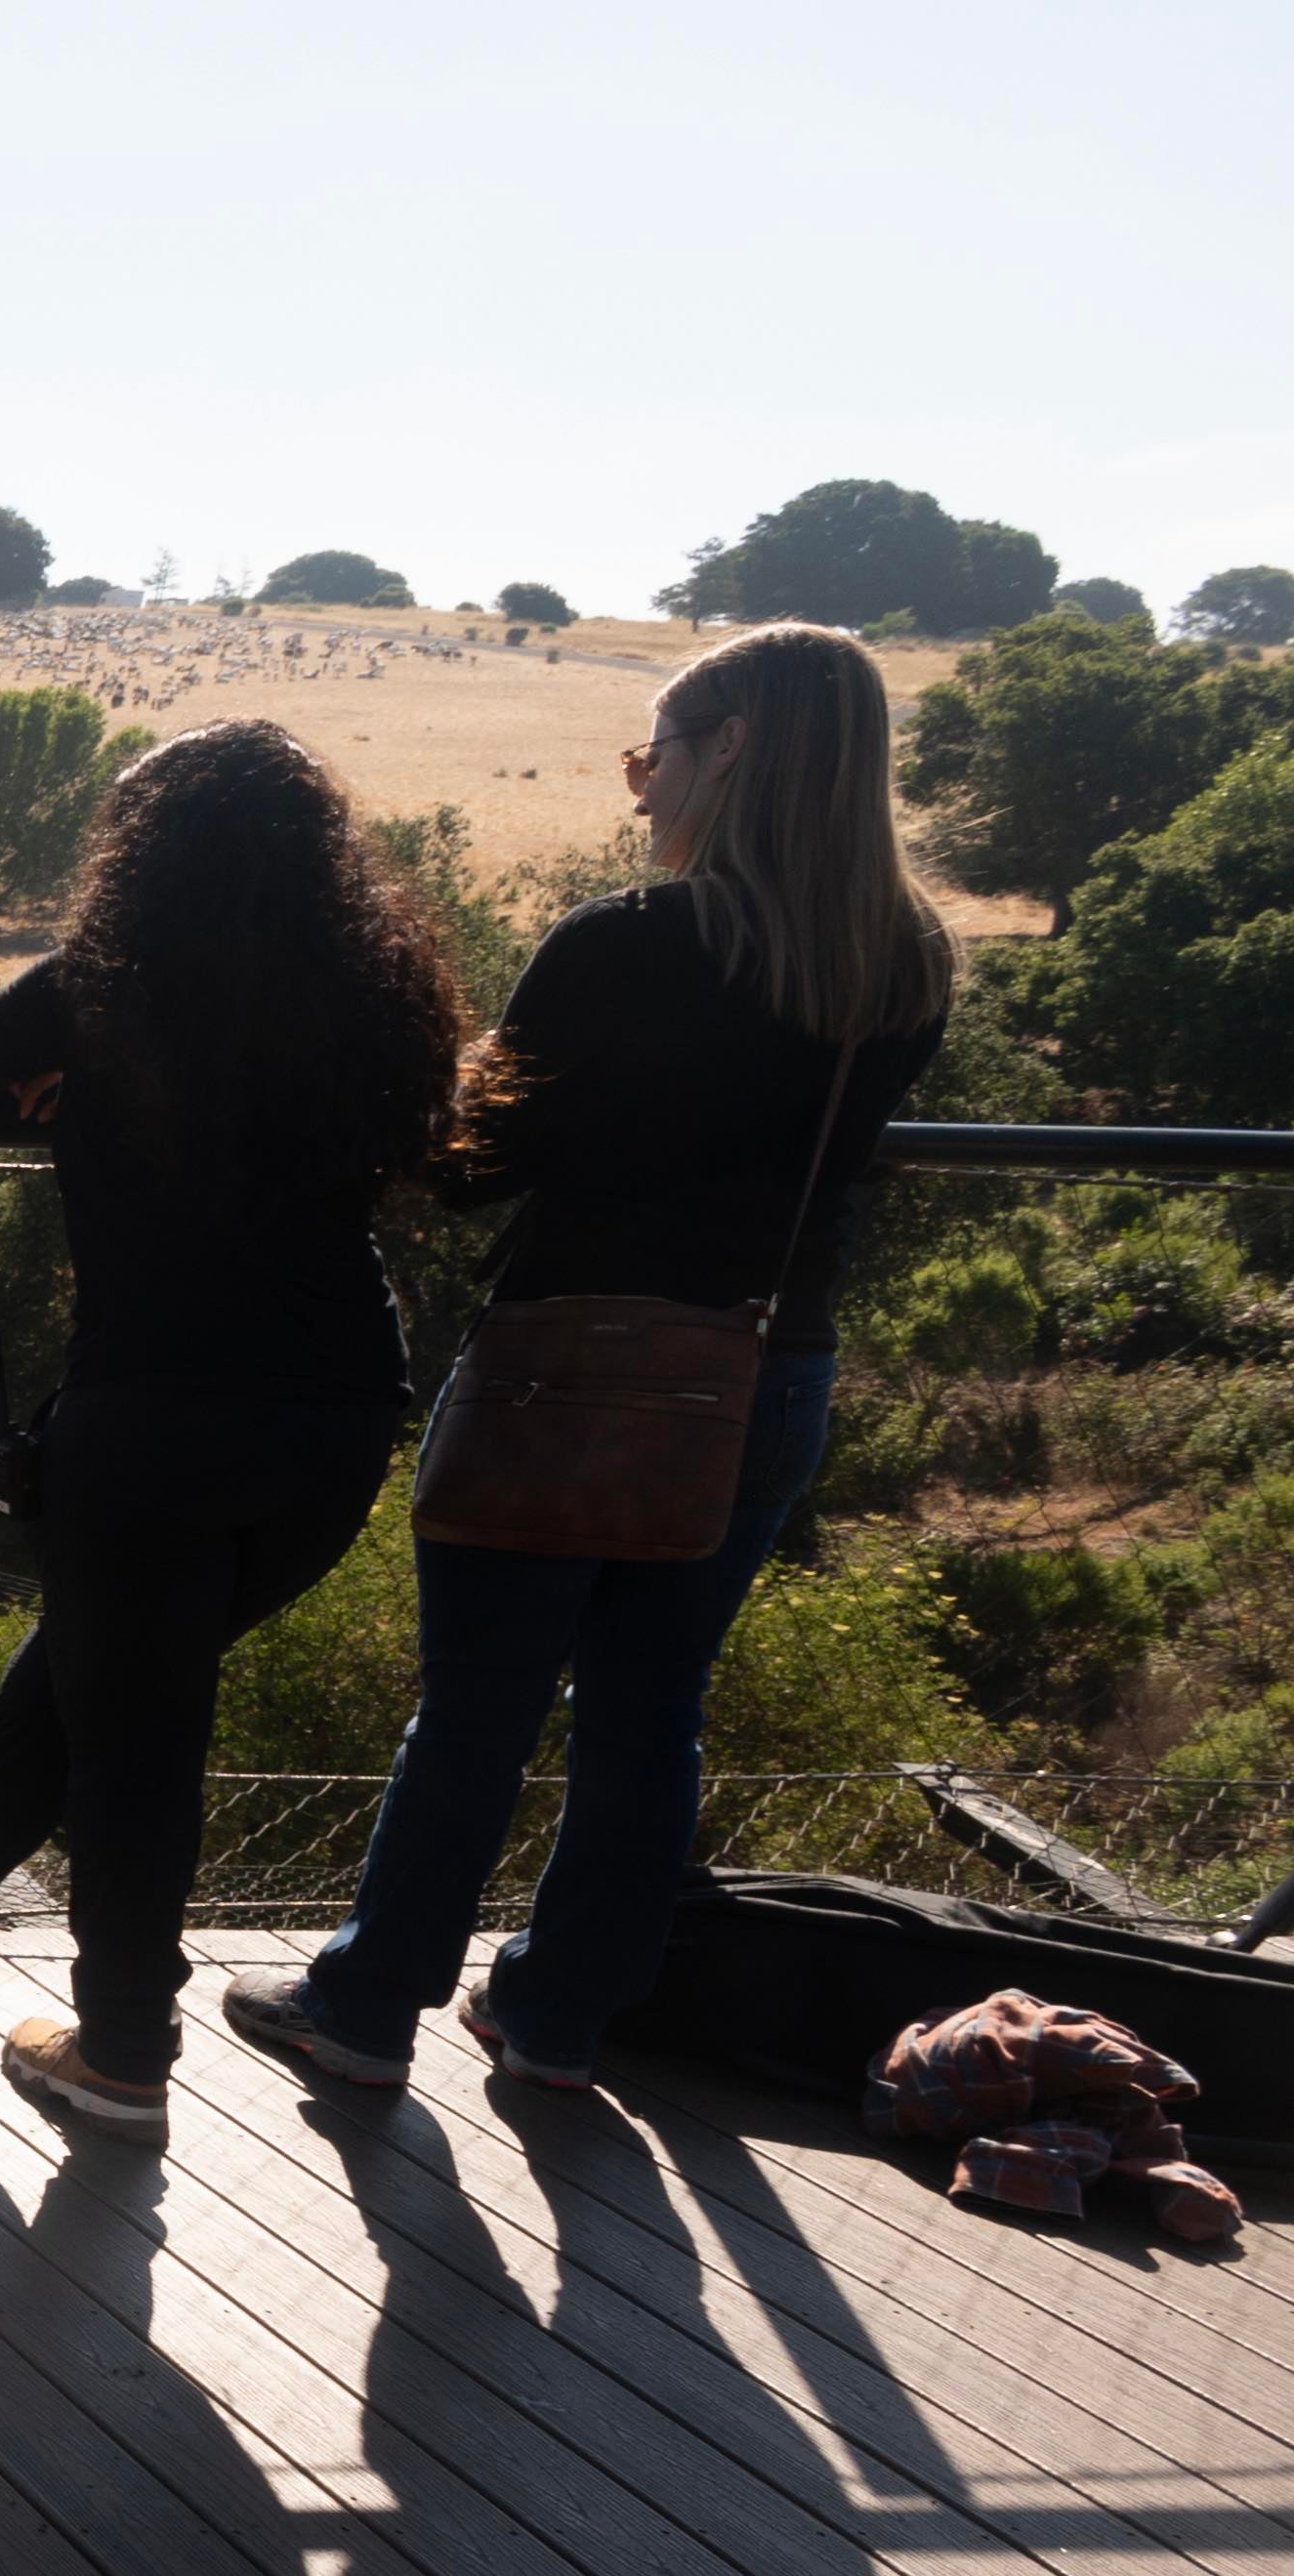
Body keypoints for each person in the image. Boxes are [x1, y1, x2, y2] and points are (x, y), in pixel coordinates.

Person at [222, 621, 952, 2098]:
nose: (641, 788)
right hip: (762, 1373)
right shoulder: (909, 963)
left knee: (479, 1703)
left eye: (658, 753)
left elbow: (476, 1170)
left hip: (568, 1368)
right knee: (652, 1709)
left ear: (728, 749)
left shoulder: (619, 946)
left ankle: (366, 2010)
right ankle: (560, 2022)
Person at [0, 721, 466, 2131]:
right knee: (75, 1706)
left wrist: (62, 1085)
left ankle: (122, 2052)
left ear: (146, 858)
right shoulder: (374, 995)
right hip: (337, 1428)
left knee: (129, 1737)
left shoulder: (108, 987)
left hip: (155, 1429)